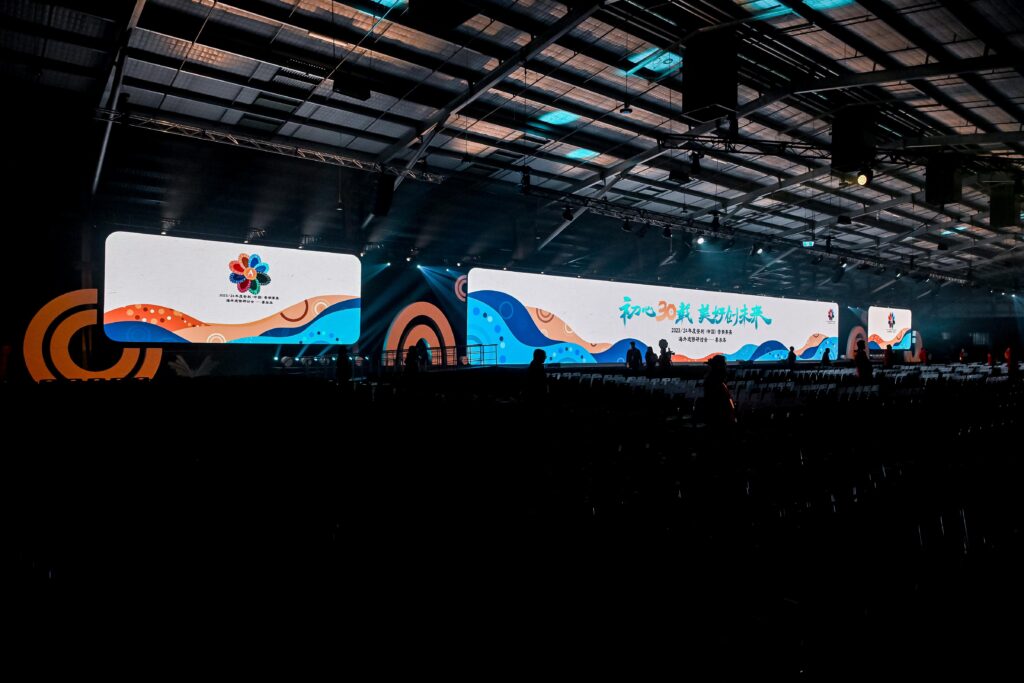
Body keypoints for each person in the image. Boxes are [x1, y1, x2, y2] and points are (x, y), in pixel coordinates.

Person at [703, 355, 736, 427]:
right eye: (724, 364)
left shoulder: (713, 380)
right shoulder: (716, 383)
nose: (726, 366)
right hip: (720, 418)